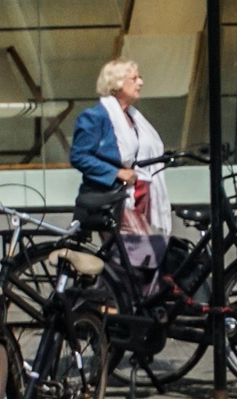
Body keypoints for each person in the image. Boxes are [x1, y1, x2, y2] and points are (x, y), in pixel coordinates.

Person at [68, 58, 170, 270]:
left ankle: (109, 301)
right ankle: (119, 301)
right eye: (134, 78)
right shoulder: (95, 117)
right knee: (144, 255)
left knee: (123, 260)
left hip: (135, 197)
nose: (140, 82)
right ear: (116, 84)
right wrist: (116, 172)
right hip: (110, 199)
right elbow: (79, 156)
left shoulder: (132, 117)